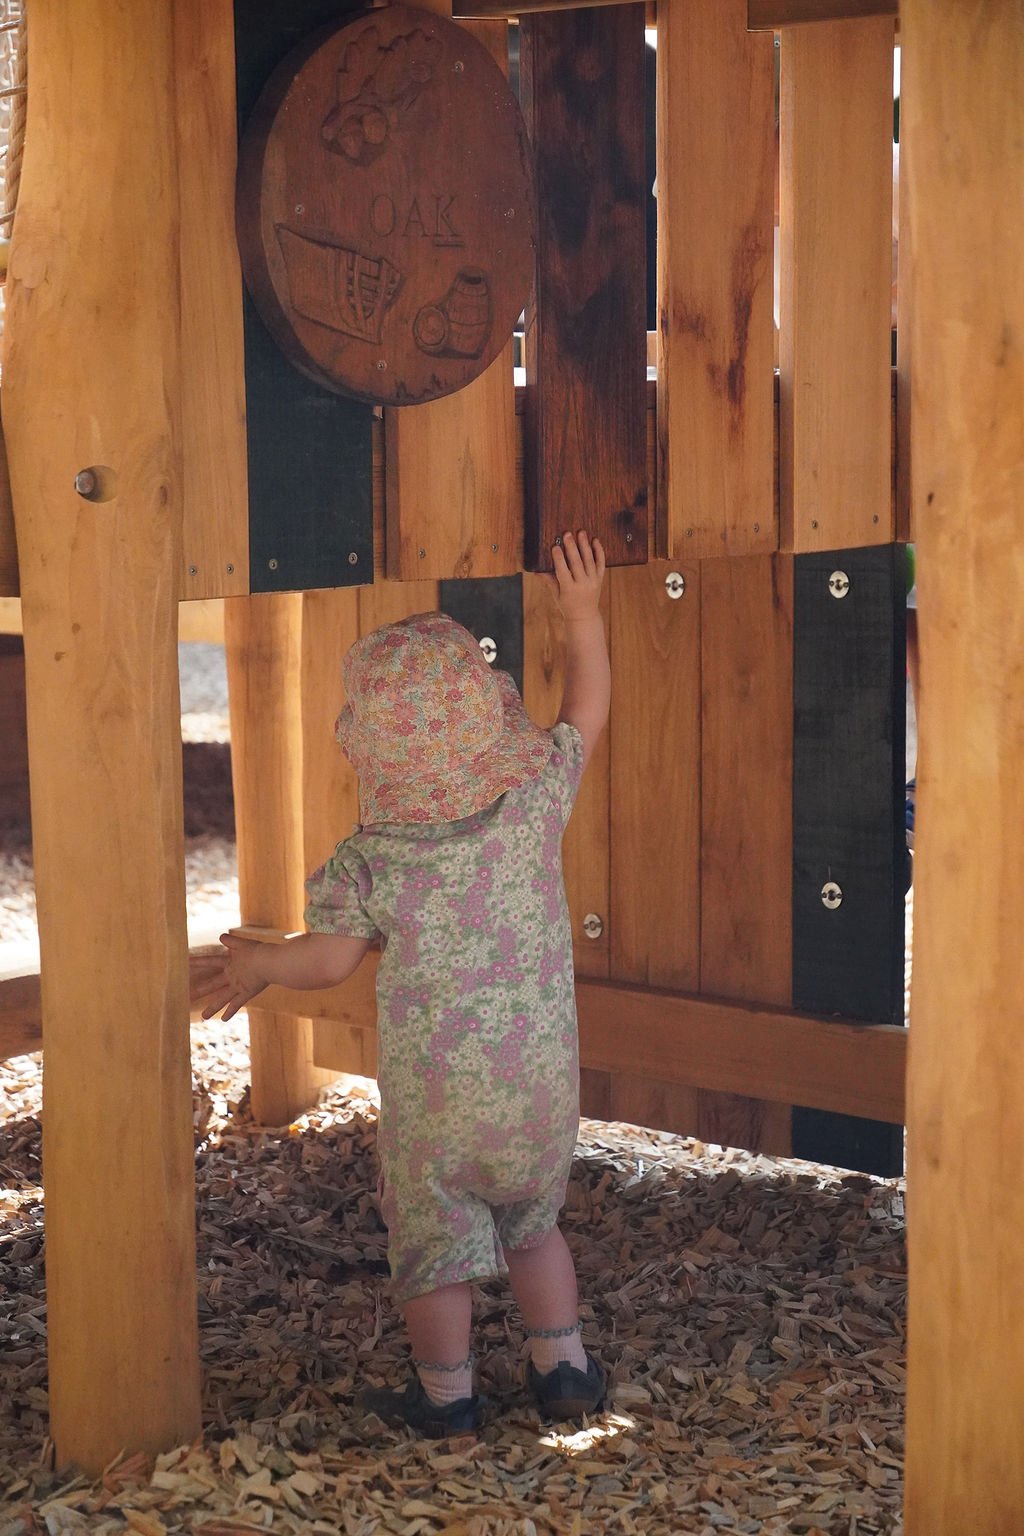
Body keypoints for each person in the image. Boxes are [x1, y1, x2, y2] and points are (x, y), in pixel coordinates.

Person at [193, 530, 611, 1438]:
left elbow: (331, 959)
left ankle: (448, 1396)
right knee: (536, 1227)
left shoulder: (374, 858)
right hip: (539, 1090)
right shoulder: (535, 802)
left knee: (436, 1248)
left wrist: (264, 962)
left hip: (437, 1103)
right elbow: (587, 706)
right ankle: (565, 1370)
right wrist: (580, 612)